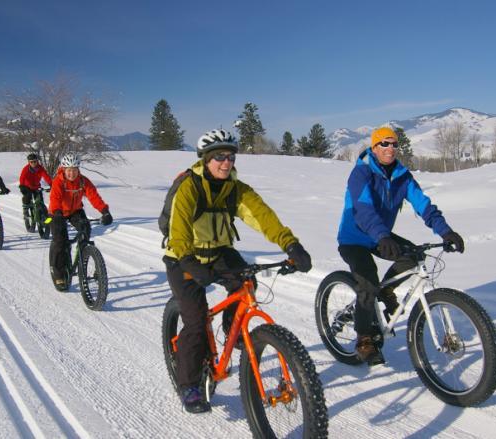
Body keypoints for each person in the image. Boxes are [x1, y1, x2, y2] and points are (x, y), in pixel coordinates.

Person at [163, 129, 312, 413]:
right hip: (183, 257)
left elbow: (263, 218)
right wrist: (190, 263)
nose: (226, 162)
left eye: (230, 156)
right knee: (195, 321)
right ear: (206, 160)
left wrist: (291, 245)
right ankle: (189, 385)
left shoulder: (236, 189)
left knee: (246, 281)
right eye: (219, 156)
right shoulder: (190, 188)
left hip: (219, 251)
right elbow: (179, 232)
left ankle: (233, 331)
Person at [337, 126, 465, 366]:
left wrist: (446, 231)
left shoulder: (402, 176)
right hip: (354, 238)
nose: (390, 148)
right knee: (367, 281)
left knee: (414, 256)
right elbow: (363, 210)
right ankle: (364, 338)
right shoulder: (361, 173)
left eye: (394, 144)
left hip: (380, 235)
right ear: (374, 148)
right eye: (384, 144)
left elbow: (424, 205)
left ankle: (386, 291)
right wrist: (382, 236)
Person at [48, 153, 113, 291]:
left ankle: (84, 255)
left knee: (86, 229)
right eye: (69, 170)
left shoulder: (83, 181)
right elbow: (55, 199)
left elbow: (93, 196)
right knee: (60, 241)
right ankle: (59, 274)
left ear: (78, 170)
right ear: (64, 170)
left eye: (75, 170)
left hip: (75, 211)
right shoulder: (58, 181)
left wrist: (104, 211)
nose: (72, 173)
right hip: (58, 212)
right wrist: (57, 213)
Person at [19, 152, 53, 230]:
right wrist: (22, 186)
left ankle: (43, 217)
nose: (33, 163)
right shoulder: (26, 169)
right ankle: (26, 211)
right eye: (31, 162)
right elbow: (22, 178)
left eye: (35, 161)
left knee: (40, 202)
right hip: (27, 187)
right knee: (27, 198)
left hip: (36, 187)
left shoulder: (40, 168)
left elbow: (46, 176)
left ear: (37, 161)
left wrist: (51, 185)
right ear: (29, 162)